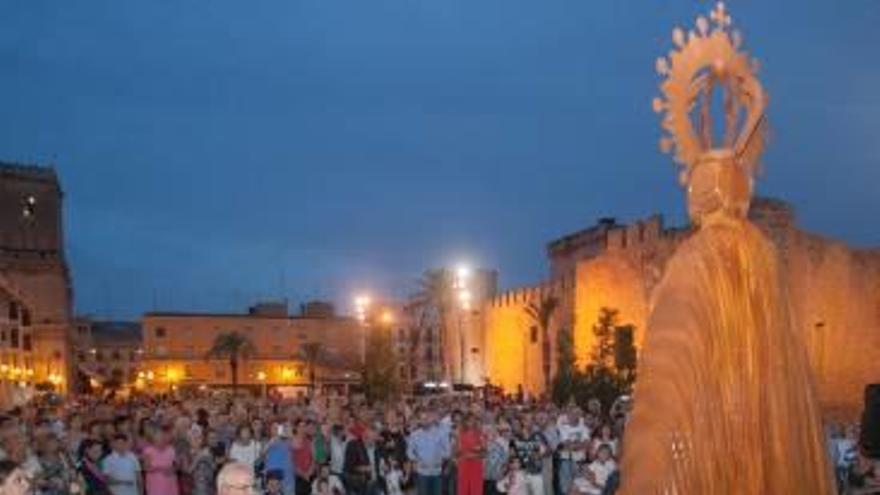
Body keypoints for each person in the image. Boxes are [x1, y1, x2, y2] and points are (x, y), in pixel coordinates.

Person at [407, 411, 450, 495]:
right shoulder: (415, 435)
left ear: (431, 419)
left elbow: (448, 451)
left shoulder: (441, 433)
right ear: (419, 420)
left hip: (437, 472)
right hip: (422, 472)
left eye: (426, 418)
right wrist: (416, 459)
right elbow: (409, 451)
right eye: (422, 419)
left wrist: (439, 457)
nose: (424, 421)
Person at [142, 426, 179, 495]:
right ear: (153, 440)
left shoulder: (171, 450)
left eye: (162, 438)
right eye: (158, 438)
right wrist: (159, 468)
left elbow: (176, 465)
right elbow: (146, 468)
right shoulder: (148, 451)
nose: (161, 440)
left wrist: (172, 469)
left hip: (169, 484)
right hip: (155, 484)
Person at [455, 414, 485, 495]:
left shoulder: (480, 435)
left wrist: (472, 455)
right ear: (465, 422)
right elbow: (456, 452)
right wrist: (460, 455)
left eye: (473, 420)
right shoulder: (460, 435)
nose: (471, 423)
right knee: (463, 489)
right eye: (468, 421)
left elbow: (484, 453)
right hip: (464, 465)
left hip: (476, 466)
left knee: (476, 489)